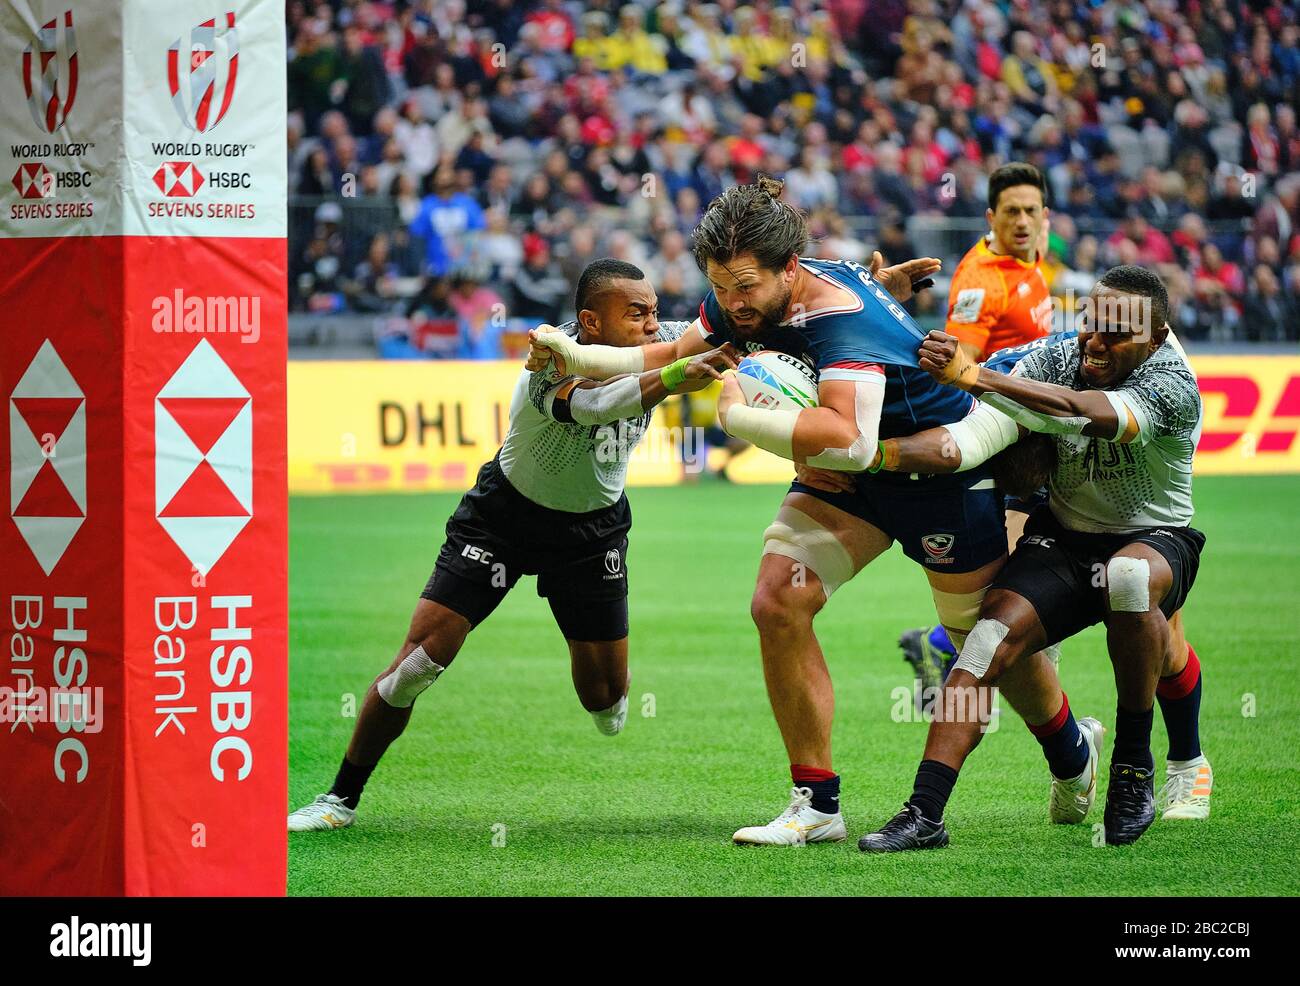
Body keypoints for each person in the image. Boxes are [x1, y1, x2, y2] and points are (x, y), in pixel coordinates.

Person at [526, 176, 1007, 847]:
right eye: (720, 287)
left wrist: (742, 419)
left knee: (987, 647)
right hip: (849, 484)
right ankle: (817, 805)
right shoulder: (746, 295)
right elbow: (668, 352)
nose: (732, 304)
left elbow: (852, 439)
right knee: (777, 602)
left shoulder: (841, 318)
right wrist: (575, 354)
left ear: (791, 269)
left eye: (745, 287)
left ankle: (1072, 751)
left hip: (935, 473)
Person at [287, 260, 737, 830]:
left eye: (653, 311)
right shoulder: (545, 367)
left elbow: (735, 318)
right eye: (637, 314)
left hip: (591, 532)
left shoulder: (666, 341)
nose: (653, 324)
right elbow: (599, 405)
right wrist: (675, 378)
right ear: (590, 322)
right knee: (416, 666)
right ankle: (338, 800)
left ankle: (611, 689)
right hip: (502, 520)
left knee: (604, 704)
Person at [858, 266, 1211, 852]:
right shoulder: (1052, 357)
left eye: (1116, 335)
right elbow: (976, 432)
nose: (1096, 343)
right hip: (1065, 539)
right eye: (1090, 326)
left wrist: (975, 376)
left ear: (1154, 339)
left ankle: (1132, 771)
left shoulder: (1172, 383)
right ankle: (924, 813)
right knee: (983, 638)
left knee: (1130, 583)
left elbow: (1086, 413)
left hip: (1154, 537)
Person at [898, 163, 1056, 702]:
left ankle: (950, 649)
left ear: (1045, 218)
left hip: (1036, 431)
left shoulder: (1033, 261)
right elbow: (959, 363)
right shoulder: (980, 279)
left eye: (1031, 211)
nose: (1022, 221)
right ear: (991, 217)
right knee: (1018, 572)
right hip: (1003, 438)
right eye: (1010, 211)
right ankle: (947, 648)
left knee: (1027, 567)